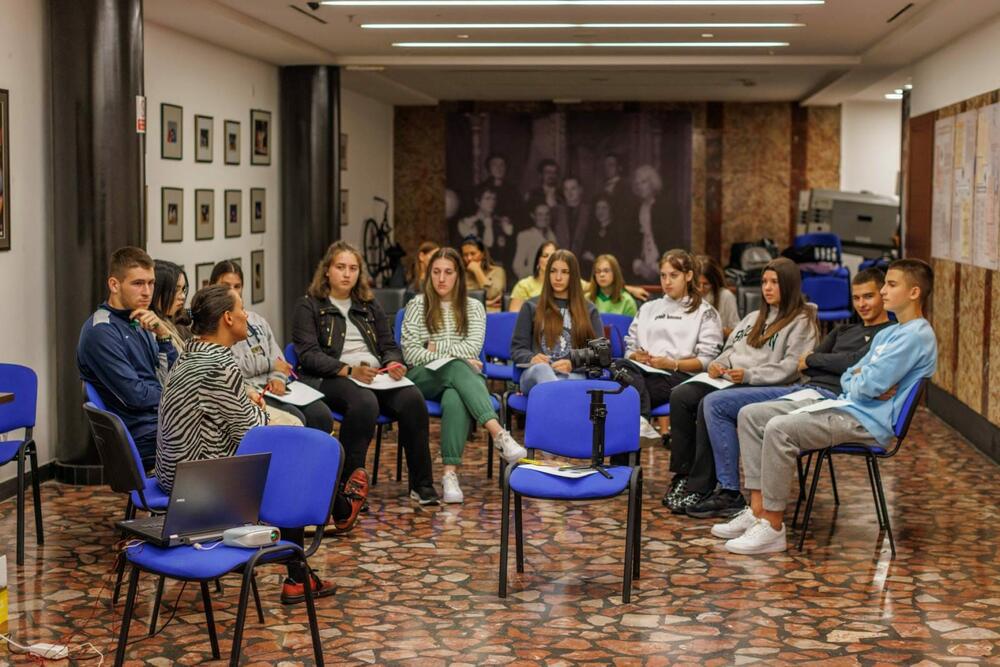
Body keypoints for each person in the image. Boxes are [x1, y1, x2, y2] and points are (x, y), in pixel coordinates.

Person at [716, 259, 937, 554]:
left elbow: (865, 384)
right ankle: (757, 511)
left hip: (868, 422)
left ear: (914, 292)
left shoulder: (917, 335)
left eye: (891, 285)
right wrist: (860, 379)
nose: (883, 291)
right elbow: (853, 376)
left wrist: (861, 380)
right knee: (750, 415)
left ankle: (772, 526)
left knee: (779, 430)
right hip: (850, 404)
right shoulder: (888, 333)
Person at [155, 284, 339, 604]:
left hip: (174, 472)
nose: (246, 317)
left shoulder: (191, 353)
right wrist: (255, 403)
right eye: (241, 311)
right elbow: (253, 428)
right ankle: (298, 571)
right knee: (287, 465)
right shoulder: (219, 365)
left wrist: (248, 401)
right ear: (227, 318)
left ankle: (300, 570)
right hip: (198, 483)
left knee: (282, 451)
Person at [683, 268, 895, 520]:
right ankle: (737, 496)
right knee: (715, 403)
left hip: (829, 399)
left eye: (868, 297)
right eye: (857, 298)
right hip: (804, 390)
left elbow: (841, 361)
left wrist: (823, 360)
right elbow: (806, 362)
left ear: (883, 295)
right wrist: (829, 361)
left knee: (749, 416)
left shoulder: (889, 334)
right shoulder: (842, 331)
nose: (861, 304)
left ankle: (757, 510)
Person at [665, 257, 818, 518]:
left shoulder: (801, 321)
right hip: (733, 378)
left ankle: (717, 488)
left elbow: (791, 368)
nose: (767, 288)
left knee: (710, 404)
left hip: (775, 386)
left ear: (790, 285)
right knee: (681, 395)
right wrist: (717, 364)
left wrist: (748, 375)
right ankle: (686, 475)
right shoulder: (752, 318)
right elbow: (731, 349)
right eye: (764, 282)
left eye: (774, 282)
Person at [292, 241, 439, 510]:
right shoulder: (309, 305)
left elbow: (389, 346)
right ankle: (348, 487)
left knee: (413, 399)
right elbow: (308, 355)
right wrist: (349, 371)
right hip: (330, 377)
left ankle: (422, 484)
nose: (347, 274)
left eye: (353, 268)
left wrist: (394, 363)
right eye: (340, 267)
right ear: (327, 271)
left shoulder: (369, 305)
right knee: (364, 402)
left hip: (375, 375)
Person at [401, 247, 527, 503]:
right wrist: (450, 355)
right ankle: (498, 434)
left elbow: (473, 348)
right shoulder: (417, 305)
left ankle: (449, 475)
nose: (441, 279)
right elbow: (411, 353)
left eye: (448, 272)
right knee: (458, 366)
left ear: (458, 275)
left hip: (458, 380)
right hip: (422, 377)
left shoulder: (473, 307)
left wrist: (434, 347)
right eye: (436, 272)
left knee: (455, 396)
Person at [77, 247, 178, 469]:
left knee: (242, 430)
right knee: (232, 444)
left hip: (163, 425)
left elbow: (174, 376)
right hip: (143, 438)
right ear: (114, 285)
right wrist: (179, 395)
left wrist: (163, 337)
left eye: (151, 283)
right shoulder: (100, 332)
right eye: (138, 283)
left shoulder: (139, 319)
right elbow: (137, 396)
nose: (147, 292)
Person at [212, 260, 334, 433]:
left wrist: (278, 377)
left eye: (237, 286)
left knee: (321, 414)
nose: (232, 291)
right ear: (212, 287)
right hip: (250, 392)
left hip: (273, 387)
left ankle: (318, 458)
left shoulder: (257, 321)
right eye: (226, 285)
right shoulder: (212, 327)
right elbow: (231, 368)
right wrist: (270, 364)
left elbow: (279, 360)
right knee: (296, 418)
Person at [615, 250, 723, 438]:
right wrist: (636, 356)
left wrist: (672, 363)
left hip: (681, 377)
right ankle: (640, 426)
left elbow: (707, 360)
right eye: (663, 276)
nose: (667, 282)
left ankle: (640, 421)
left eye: (674, 275)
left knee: (622, 396)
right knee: (619, 366)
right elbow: (630, 349)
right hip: (643, 373)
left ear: (688, 276)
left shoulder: (705, 312)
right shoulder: (648, 308)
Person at [510, 250, 603, 394]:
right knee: (543, 370)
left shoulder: (589, 309)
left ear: (573, 276)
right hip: (534, 374)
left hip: (572, 375)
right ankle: (557, 400)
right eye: (553, 271)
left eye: (565, 272)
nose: (558, 277)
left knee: (572, 381)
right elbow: (517, 349)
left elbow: (600, 353)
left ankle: (553, 404)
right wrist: (532, 358)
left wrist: (573, 363)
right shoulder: (531, 306)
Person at [630, 165, 685, 283]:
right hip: (642, 268)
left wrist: (658, 265)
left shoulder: (667, 207)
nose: (640, 187)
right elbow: (632, 239)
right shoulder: (635, 209)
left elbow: (674, 240)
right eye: (638, 183)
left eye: (643, 182)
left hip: (665, 266)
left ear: (652, 183)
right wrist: (638, 263)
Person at [457, 184, 515, 270]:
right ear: (478, 201)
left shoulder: (500, 222)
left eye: (494, 199)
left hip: (497, 271)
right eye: (487, 198)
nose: (492, 202)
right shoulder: (467, 223)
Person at [150, 260, 192, 355]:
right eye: (175, 290)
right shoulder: (149, 329)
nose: (182, 296)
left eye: (183, 290)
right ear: (157, 290)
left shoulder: (179, 322)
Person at [696, 254, 740, 339]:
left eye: (706, 284)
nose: (701, 289)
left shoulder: (726, 296)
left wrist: (718, 330)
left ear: (714, 283)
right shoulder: (685, 295)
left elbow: (736, 333)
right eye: (697, 284)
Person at [512, 202, 558, 280]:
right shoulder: (525, 236)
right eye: (540, 214)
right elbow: (517, 266)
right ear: (533, 216)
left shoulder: (552, 236)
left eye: (547, 214)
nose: (544, 218)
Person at [509, 241, 558, 313]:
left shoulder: (575, 283)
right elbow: (514, 317)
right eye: (545, 256)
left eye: (553, 256)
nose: (549, 260)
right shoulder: (523, 286)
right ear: (538, 261)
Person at [460, 236, 506, 311]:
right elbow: (457, 301)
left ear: (483, 254)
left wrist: (477, 271)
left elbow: (491, 294)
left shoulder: (497, 271)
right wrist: (486, 303)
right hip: (468, 314)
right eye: (465, 255)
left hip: (491, 315)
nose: (469, 258)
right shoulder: (461, 275)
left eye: (473, 253)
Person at [552, 176, 590, 256]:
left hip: (582, 260)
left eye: (573, 188)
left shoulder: (589, 211)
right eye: (566, 189)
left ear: (580, 190)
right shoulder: (556, 211)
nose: (569, 193)